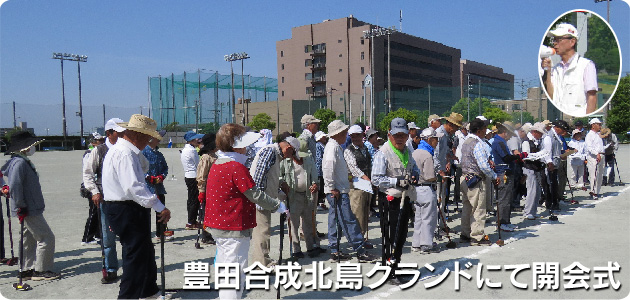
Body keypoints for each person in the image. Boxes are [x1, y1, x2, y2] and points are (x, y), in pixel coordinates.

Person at [203, 123, 286, 300]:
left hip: (219, 224)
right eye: (245, 145)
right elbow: (254, 193)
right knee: (236, 269)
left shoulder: (218, 163)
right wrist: (276, 205)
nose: (247, 148)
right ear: (237, 146)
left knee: (226, 265)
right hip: (234, 225)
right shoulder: (236, 167)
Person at [101, 114, 171, 299]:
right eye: (147, 137)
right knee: (135, 256)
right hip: (126, 207)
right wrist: (159, 206)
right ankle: (128, 296)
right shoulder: (124, 153)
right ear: (137, 135)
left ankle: (149, 290)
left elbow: (143, 170)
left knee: (145, 251)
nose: (148, 141)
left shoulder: (126, 151)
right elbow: (134, 187)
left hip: (127, 206)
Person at [1, 131, 61, 281]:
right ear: (24, 147)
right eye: (31, 145)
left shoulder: (20, 161)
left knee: (28, 239)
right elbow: (15, 185)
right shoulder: (20, 163)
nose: (32, 148)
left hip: (27, 207)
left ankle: (26, 269)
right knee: (46, 237)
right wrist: (20, 206)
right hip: (28, 208)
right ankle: (41, 270)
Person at [371, 118, 420, 284]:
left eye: (403, 135)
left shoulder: (407, 150)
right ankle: (388, 272)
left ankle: (396, 267)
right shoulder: (382, 153)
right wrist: (396, 181)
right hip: (390, 199)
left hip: (405, 198)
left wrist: (415, 174)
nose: (400, 138)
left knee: (401, 235)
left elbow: (414, 167)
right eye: (396, 135)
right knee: (390, 236)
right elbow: (376, 179)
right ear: (389, 135)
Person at [323, 120, 376, 263]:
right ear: (338, 133)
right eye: (345, 132)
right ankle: (359, 250)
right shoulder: (333, 147)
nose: (347, 134)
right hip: (337, 190)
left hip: (337, 188)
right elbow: (328, 168)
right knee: (348, 220)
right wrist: (332, 186)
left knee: (336, 220)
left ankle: (335, 250)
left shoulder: (334, 146)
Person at [82, 118, 124, 284]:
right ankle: (110, 268)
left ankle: (131, 267)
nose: (122, 135)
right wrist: (94, 191)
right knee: (107, 238)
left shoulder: (125, 149)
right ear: (109, 133)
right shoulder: (99, 150)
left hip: (124, 199)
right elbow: (88, 173)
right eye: (119, 133)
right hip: (106, 199)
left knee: (127, 236)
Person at [250, 135, 298, 268]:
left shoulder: (275, 155)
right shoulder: (270, 151)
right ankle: (262, 264)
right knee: (262, 232)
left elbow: (270, 177)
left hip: (264, 199)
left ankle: (263, 260)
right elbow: (260, 175)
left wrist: (280, 186)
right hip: (260, 200)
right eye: (292, 153)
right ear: (288, 148)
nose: (290, 157)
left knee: (264, 231)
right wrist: (259, 200)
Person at [542, 23, 598, 116]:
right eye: (554, 40)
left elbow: (591, 96)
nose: (555, 43)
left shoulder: (586, 65)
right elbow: (551, 96)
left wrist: (588, 116)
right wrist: (548, 71)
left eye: (559, 40)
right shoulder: (555, 69)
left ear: (572, 42)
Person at [280, 139, 321, 259]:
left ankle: (310, 247)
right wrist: (282, 183)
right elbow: (279, 175)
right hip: (293, 196)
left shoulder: (308, 159)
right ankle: (296, 249)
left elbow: (314, 174)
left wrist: (315, 184)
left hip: (307, 195)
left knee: (308, 223)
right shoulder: (285, 161)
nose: (301, 158)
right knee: (293, 224)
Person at [459, 118, 498, 246]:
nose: (486, 130)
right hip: (476, 179)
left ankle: (465, 233)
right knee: (478, 208)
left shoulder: (466, 142)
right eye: (485, 128)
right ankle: (477, 236)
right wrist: (494, 176)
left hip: (464, 177)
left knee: (467, 208)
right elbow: (484, 166)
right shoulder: (478, 143)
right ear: (480, 131)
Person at [411, 128, 442, 253]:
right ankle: (426, 244)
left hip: (415, 189)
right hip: (426, 187)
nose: (437, 142)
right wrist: (439, 177)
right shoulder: (427, 155)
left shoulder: (415, 152)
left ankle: (416, 244)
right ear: (429, 139)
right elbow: (429, 176)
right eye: (435, 139)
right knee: (428, 218)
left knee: (418, 218)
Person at [491, 122, 525, 232]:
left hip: (506, 172)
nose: (510, 137)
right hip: (503, 172)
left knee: (508, 198)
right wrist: (519, 156)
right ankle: (501, 222)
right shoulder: (499, 142)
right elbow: (506, 158)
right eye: (510, 134)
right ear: (505, 133)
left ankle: (506, 221)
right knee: (503, 199)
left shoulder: (501, 142)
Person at [344, 125, 373, 249]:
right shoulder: (348, 150)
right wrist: (366, 178)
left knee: (366, 213)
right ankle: (356, 240)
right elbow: (353, 168)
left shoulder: (365, 148)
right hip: (356, 187)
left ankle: (363, 238)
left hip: (367, 186)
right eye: (353, 136)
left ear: (362, 136)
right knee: (357, 213)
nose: (356, 138)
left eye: (358, 135)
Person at [142, 130, 173, 243]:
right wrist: (148, 177)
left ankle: (160, 233)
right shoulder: (143, 152)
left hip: (158, 187)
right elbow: (138, 168)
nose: (160, 139)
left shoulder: (159, 154)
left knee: (161, 210)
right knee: (145, 212)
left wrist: (161, 176)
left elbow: (165, 167)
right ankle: (144, 234)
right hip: (146, 187)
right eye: (158, 137)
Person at [435, 113, 463, 227]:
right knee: (438, 199)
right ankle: (437, 226)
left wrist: (449, 157)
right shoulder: (440, 135)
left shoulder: (446, 135)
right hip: (437, 172)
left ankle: (442, 225)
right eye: (456, 127)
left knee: (443, 198)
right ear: (450, 125)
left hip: (443, 169)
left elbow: (444, 152)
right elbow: (435, 154)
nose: (456, 130)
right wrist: (439, 171)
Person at [81, 133, 105, 246]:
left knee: (99, 212)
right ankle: (87, 237)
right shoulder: (89, 153)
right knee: (93, 212)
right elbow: (89, 171)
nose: (102, 142)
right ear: (93, 142)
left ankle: (98, 234)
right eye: (99, 140)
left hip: (99, 185)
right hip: (93, 186)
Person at [196, 133, 219, 245]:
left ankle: (211, 232)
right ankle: (206, 235)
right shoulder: (206, 157)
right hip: (207, 189)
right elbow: (202, 175)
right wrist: (201, 190)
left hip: (214, 189)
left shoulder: (214, 156)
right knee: (205, 213)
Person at [521, 123, 547, 220]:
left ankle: (533, 210)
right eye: (540, 133)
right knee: (531, 190)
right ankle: (528, 212)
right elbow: (526, 155)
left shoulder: (537, 141)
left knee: (537, 191)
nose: (541, 135)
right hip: (529, 167)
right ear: (534, 132)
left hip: (536, 167)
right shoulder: (526, 141)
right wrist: (538, 156)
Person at [181, 130, 204, 230]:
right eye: (196, 139)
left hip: (188, 175)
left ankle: (191, 220)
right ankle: (192, 221)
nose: (198, 141)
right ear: (191, 140)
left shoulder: (186, 149)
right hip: (193, 175)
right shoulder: (192, 150)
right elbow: (198, 164)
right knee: (195, 200)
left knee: (191, 199)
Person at [585, 118, 605, 199]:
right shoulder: (589, 135)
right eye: (598, 124)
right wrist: (597, 154)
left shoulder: (598, 135)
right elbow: (589, 147)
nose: (600, 126)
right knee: (594, 174)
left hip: (601, 155)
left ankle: (597, 191)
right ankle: (593, 191)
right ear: (593, 125)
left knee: (600, 174)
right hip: (594, 157)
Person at [315, 131, 328, 211]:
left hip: (322, 170)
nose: (325, 138)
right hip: (319, 170)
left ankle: (321, 202)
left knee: (322, 187)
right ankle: (318, 203)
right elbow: (319, 158)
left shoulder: (323, 145)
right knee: (320, 187)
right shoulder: (318, 145)